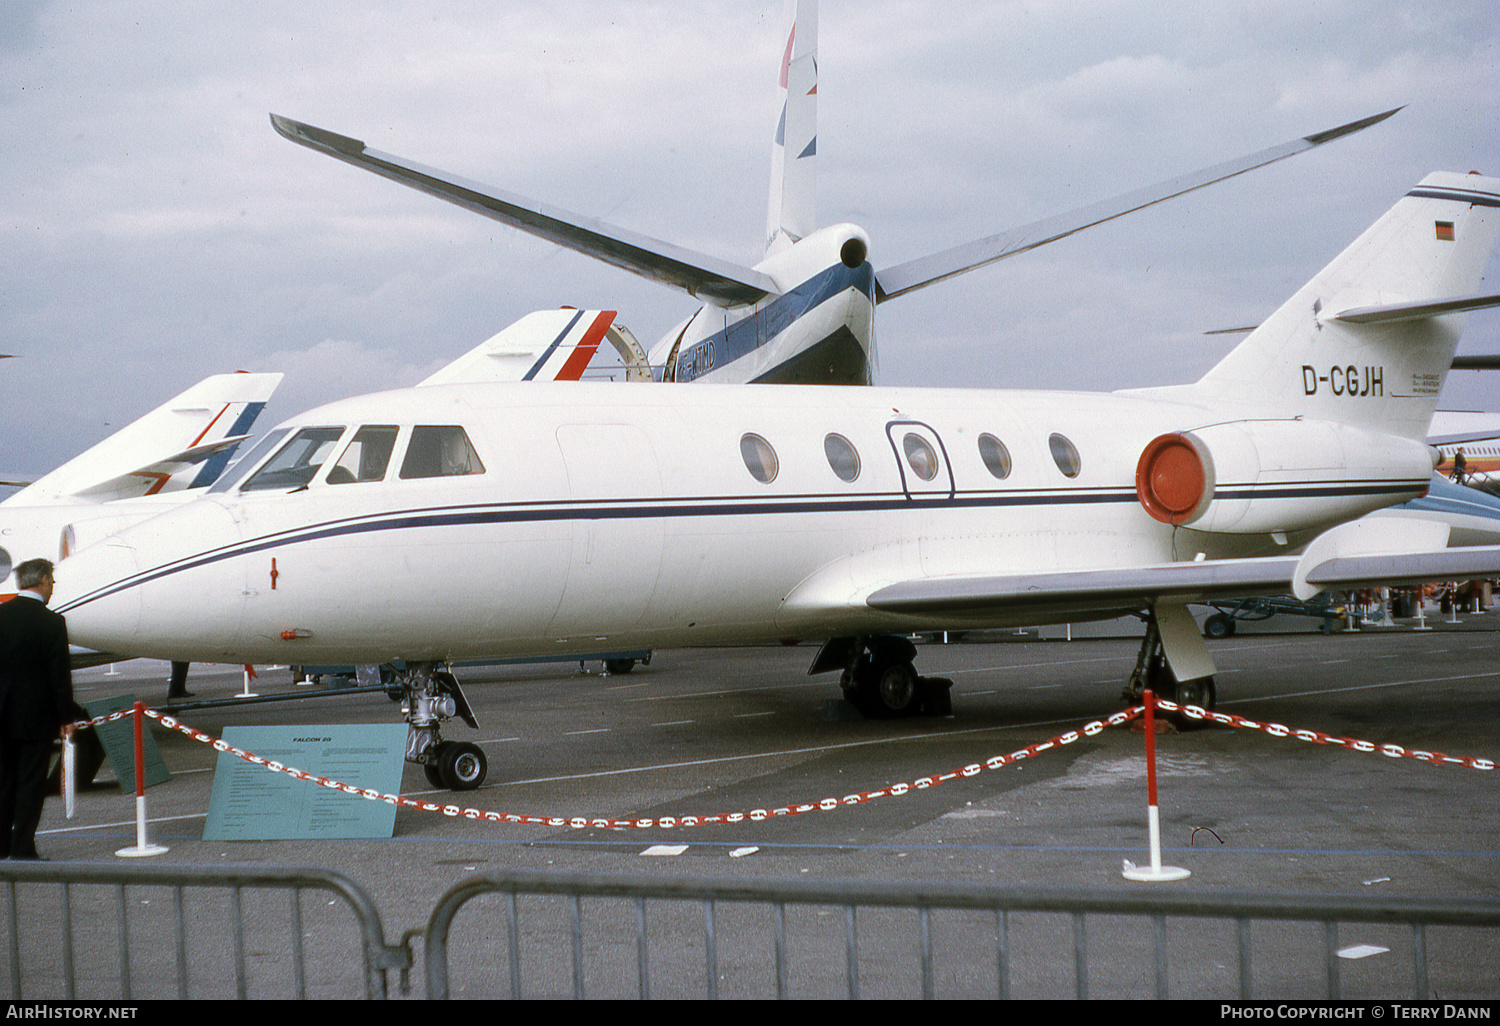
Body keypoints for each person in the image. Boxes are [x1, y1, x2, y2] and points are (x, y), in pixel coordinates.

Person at [0, 559, 79, 860]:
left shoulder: (1, 614)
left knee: (4, 780)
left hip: (2, 712)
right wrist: (66, 718)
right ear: (44, 581)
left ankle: (1, 845)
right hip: (35, 716)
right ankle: (23, 847)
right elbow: (59, 676)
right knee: (31, 784)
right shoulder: (51, 622)